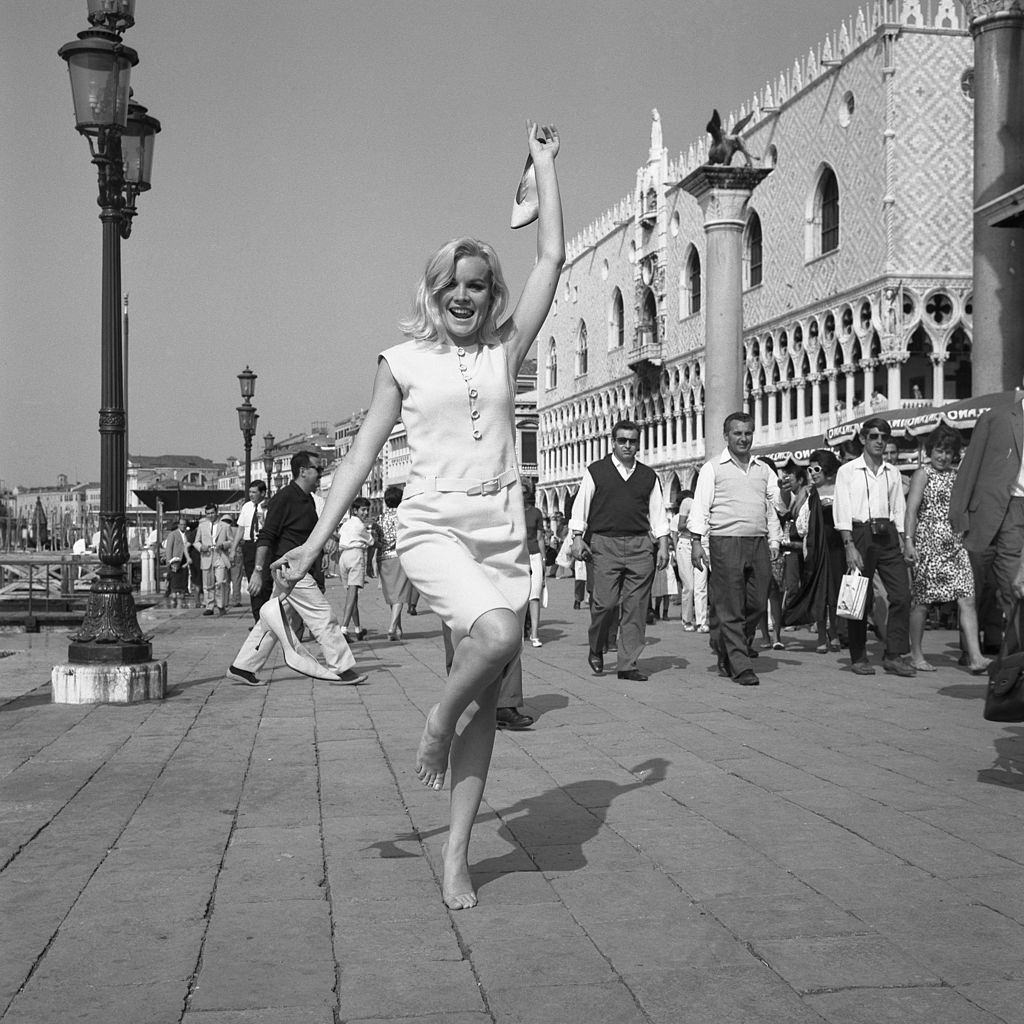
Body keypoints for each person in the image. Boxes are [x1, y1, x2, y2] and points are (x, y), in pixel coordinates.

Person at [270, 122, 562, 911]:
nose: (464, 296)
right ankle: (434, 720)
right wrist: (316, 544)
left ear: (489, 293)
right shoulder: (400, 363)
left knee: (486, 706)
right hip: (430, 525)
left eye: (476, 284)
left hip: (501, 526)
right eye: (450, 286)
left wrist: (541, 167)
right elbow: (360, 456)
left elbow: (553, 259)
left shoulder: (506, 350)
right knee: (497, 639)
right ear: (431, 294)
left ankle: (458, 855)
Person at [228, 450, 363, 687]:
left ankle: (243, 666)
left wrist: (321, 551)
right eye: (318, 470)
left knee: (274, 619)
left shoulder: (308, 500)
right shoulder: (284, 498)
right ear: (303, 471)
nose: (321, 474)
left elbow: (309, 536)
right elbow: (266, 535)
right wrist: (258, 570)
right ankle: (341, 668)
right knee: (323, 616)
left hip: (299, 569)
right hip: (290, 569)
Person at [569, 420, 669, 680]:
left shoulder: (648, 475)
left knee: (636, 607)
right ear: (612, 442)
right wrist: (578, 538)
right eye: (622, 440)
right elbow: (581, 506)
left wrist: (663, 545)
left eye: (632, 441)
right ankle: (597, 646)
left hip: (639, 545)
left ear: (638, 444)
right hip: (604, 543)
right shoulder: (596, 471)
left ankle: (628, 664)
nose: (627, 445)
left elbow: (658, 514)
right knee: (604, 603)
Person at [688, 411, 781, 687]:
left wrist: (786, 493)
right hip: (725, 541)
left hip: (758, 541)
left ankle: (724, 645)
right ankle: (741, 664)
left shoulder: (764, 470)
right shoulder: (713, 468)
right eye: (737, 433)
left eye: (748, 433)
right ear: (726, 436)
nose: (743, 438)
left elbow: (778, 506)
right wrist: (696, 542)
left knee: (755, 602)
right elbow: (701, 506)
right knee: (730, 603)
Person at [833, 417, 916, 676]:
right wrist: (848, 545)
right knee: (861, 596)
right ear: (863, 439)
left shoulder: (893, 472)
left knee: (902, 594)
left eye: (884, 437)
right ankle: (858, 656)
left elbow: (899, 509)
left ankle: (894, 653)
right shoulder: (848, 471)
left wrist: (907, 542)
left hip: (888, 533)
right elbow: (842, 510)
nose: (880, 441)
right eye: (874, 436)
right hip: (859, 532)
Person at [905, 425, 990, 673]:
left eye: (948, 452)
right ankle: (916, 654)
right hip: (928, 545)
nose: (943, 456)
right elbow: (912, 509)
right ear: (931, 450)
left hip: (955, 545)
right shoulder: (923, 474)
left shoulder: (957, 476)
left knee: (967, 598)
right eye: (939, 450)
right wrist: (909, 541)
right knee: (922, 602)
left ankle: (975, 656)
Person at [949, 393, 1024, 620]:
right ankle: (970, 651)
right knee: (976, 587)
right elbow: (971, 464)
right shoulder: (996, 417)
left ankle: (1014, 650)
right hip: (987, 508)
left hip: (1018, 508)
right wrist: (958, 514)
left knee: (1013, 585)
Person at [787, 449, 845, 653]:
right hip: (817, 548)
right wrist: (802, 496)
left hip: (839, 547)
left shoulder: (842, 489)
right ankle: (822, 635)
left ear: (828, 469)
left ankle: (835, 632)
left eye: (816, 469)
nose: (812, 473)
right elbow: (799, 523)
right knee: (819, 591)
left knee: (836, 591)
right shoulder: (810, 493)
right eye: (810, 469)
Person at [377, 485, 412, 641]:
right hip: (399, 556)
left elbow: (375, 539)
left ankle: (398, 629)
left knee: (392, 594)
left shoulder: (380, 518)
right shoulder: (403, 517)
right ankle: (392, 626)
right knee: (400, 593)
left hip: (383, 558)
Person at [233, 480, 271, 622]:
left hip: (263, 545)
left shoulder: (269, 507)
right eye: (250, 492)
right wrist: (233, 548)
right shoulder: (246, 507)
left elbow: (272, 529)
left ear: (262, 493)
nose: (251, 495)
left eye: (254, 492)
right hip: (249, 546)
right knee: (252, 584)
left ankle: (267, 618)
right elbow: (241, 529)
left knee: (265, 582)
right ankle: (257, 620)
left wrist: (263, 521)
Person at [338, 497, 373, 639]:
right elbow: (371, 541)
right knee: (352, 595)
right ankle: (344, 628)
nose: (366, 513)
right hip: (355, 556)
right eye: (363, 510)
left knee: (352, 595)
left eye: (367, 510)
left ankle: (358, 629)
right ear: (355, 510)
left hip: (343, 557)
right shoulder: (360, 526)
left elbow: (338, 536)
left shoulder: (346, 524)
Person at [195, 503, 232, 616]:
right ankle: (209, 606)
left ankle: (221, 605)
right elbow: (196, 542)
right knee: (208, 584)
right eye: (208, 514)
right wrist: (201, 547)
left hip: (220, 555)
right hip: (206, 556)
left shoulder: (225, 526)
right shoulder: (202, 526)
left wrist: (223, 545)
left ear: (217, 512)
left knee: (220, 582)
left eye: (212, 513)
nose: (210, 515)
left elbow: (231, 541)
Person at [522, 483, 546, 646]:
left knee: (534, 595)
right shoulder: (510, 512)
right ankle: (519, 631)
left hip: (534, 555)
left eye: (524, 492)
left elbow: (540, 538)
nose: (521, 495)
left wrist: (544, 562)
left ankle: (535, 634)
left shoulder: (535, 512)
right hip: (516, 557)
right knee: (519, 597)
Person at [163, 516, 193, 609]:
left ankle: (183, 591)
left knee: (184, 576)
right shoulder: (173, 534)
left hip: (185, 558)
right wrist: (169, 562)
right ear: (178, 525)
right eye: (181, 524)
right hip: (175, 560)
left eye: (185, 525)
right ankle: (173, 593)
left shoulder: (188, 534)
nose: (183, 526)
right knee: (174, 578)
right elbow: (169, 548)